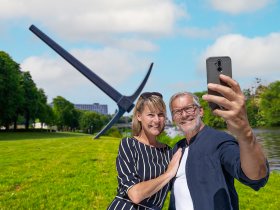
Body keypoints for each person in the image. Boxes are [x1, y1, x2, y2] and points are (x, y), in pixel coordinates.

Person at [168, 74, 269, 210]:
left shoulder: (220, 141)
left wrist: (246, 134)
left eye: (189, 108)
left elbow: (255, 176)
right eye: (177, 112)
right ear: (173, 118)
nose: (184, 115)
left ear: (200, 111)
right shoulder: (177, 148)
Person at [108, 92, 182, 210]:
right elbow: (135, 194)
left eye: (161, 114)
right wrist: (168, 174)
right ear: (139, 116)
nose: (157, 120)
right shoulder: (129, 144)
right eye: (151, 115)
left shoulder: (169, 151)